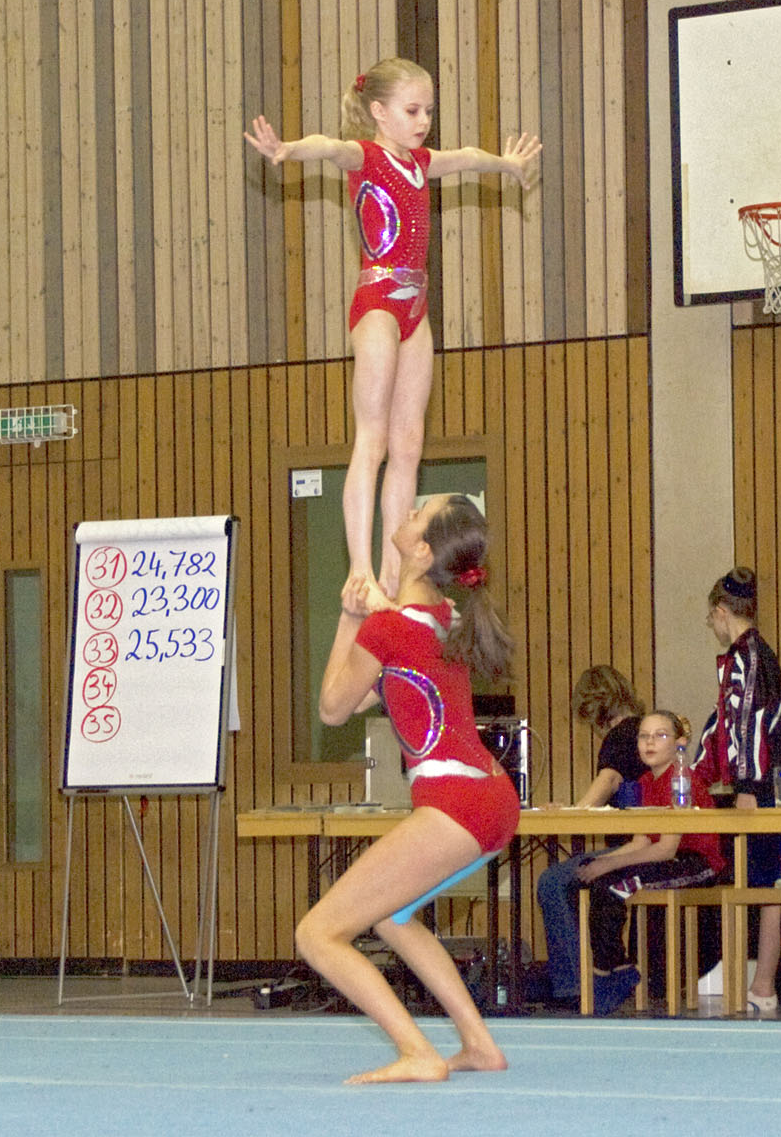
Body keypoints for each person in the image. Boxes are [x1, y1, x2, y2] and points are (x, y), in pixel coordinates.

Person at [244, 58, 541, 610]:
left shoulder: (420, 162)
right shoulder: (368, 155)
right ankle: (359, 568)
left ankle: (391, 568)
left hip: (416, 307)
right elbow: (328, 146)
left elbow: (467, 158)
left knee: (409, 447)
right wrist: (286, 151)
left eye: (429, 109)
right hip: (378, 301)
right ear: (379, 113)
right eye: (412, 110)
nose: (423, 119)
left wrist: (507, 163)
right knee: (373, 441)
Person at [301, 492, 518, 1083]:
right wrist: (374, 612)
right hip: (492, 796)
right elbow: (380, 689)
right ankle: (477, 1044)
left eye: (418, 512)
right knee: (394, 917)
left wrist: (351, 621)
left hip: (455, 801)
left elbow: (331, 708)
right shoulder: (447, 616)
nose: (408, 508)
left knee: (318, 934)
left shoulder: (390, 627)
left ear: (423, 551)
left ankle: (418, 1052)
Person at [574, 711, 727, 1015]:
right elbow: (642, 841)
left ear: (679, 743)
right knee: (593, 879)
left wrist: (608, 867)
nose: (649, 743)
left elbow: (666, 849)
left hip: (694, 863)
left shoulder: (682, 780)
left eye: (660, 736)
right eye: (644, 736)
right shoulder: (645, 781)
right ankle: (615, 965)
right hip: (666, 857)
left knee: (613, 885)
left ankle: (614, 971)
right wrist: (602, 861)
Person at [701, 566, 781, 1013]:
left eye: (710, 619)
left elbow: (751, 721)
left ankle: (764, 983)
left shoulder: (750, 654)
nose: (711, 627)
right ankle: (764, 980)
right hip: (762, 776)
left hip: (762, 781)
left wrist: (744, 783)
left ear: (722, 613)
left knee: (765, 882)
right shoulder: (749, 654)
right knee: (763, 880)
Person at [535, 665, 647, 1006]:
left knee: (553, 882)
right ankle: (587, 978)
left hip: (633, 848)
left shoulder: (620, 735)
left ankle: (576, 987)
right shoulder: (643, 731)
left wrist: (572, 813)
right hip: (646, 844)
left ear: (595, 708)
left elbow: (608, 782)